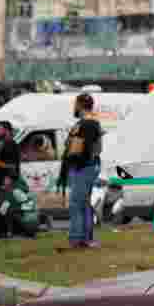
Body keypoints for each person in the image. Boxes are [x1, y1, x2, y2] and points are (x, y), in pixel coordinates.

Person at [58, 93, 103, 249]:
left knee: (76, 205)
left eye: (76, 103)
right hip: (86, 167)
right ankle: (85, 238)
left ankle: (77, 239)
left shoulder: (87, 124)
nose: (74, 106)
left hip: (83, 168)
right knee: (83, 204)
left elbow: (77, 148)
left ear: (81, 104)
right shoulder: (88, 123)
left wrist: (71, 160)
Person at [0, 168, 38, 239]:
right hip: (25, 213)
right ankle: (10, 232)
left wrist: (20, 208)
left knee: (11, 212)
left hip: (29, 216)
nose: (4, 180)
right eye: (4, 179)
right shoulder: (7, 191)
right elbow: (4, 209)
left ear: (10, 180)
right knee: (9, 212)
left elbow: (29, 203)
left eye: (6, 179)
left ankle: (28, 231)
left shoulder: (14, 191)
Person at [0, 120, 21, 209]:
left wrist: (8, 178)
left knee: (3, 205)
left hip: (4, 179)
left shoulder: (10, 144)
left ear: (6, 131)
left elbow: (12, 163)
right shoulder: (4, 142)